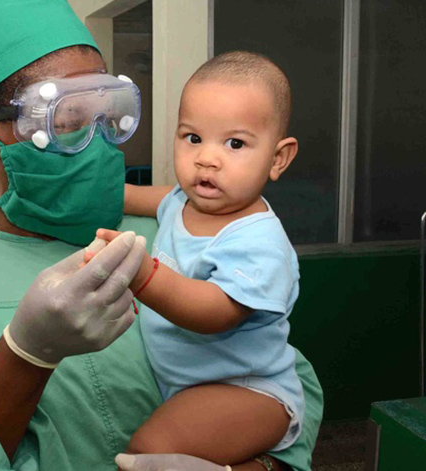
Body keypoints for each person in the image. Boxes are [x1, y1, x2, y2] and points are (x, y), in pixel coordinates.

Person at [0, 1, 323, 471]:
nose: (94, 142)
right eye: (64, 121)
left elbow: (284, 380)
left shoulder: (169, 236)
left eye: (107, 114)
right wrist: (24, 356)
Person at [93, 51, 304, 468]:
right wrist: (78, 194)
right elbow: (131, 197)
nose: (207, 158)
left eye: (235, 143)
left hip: (249, 392)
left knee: (148, 451)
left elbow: (214, 312)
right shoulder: (180, 201)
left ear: (278, 158)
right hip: (188, 386)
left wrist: (142, 275)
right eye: (193, 138)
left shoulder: (259, 240)